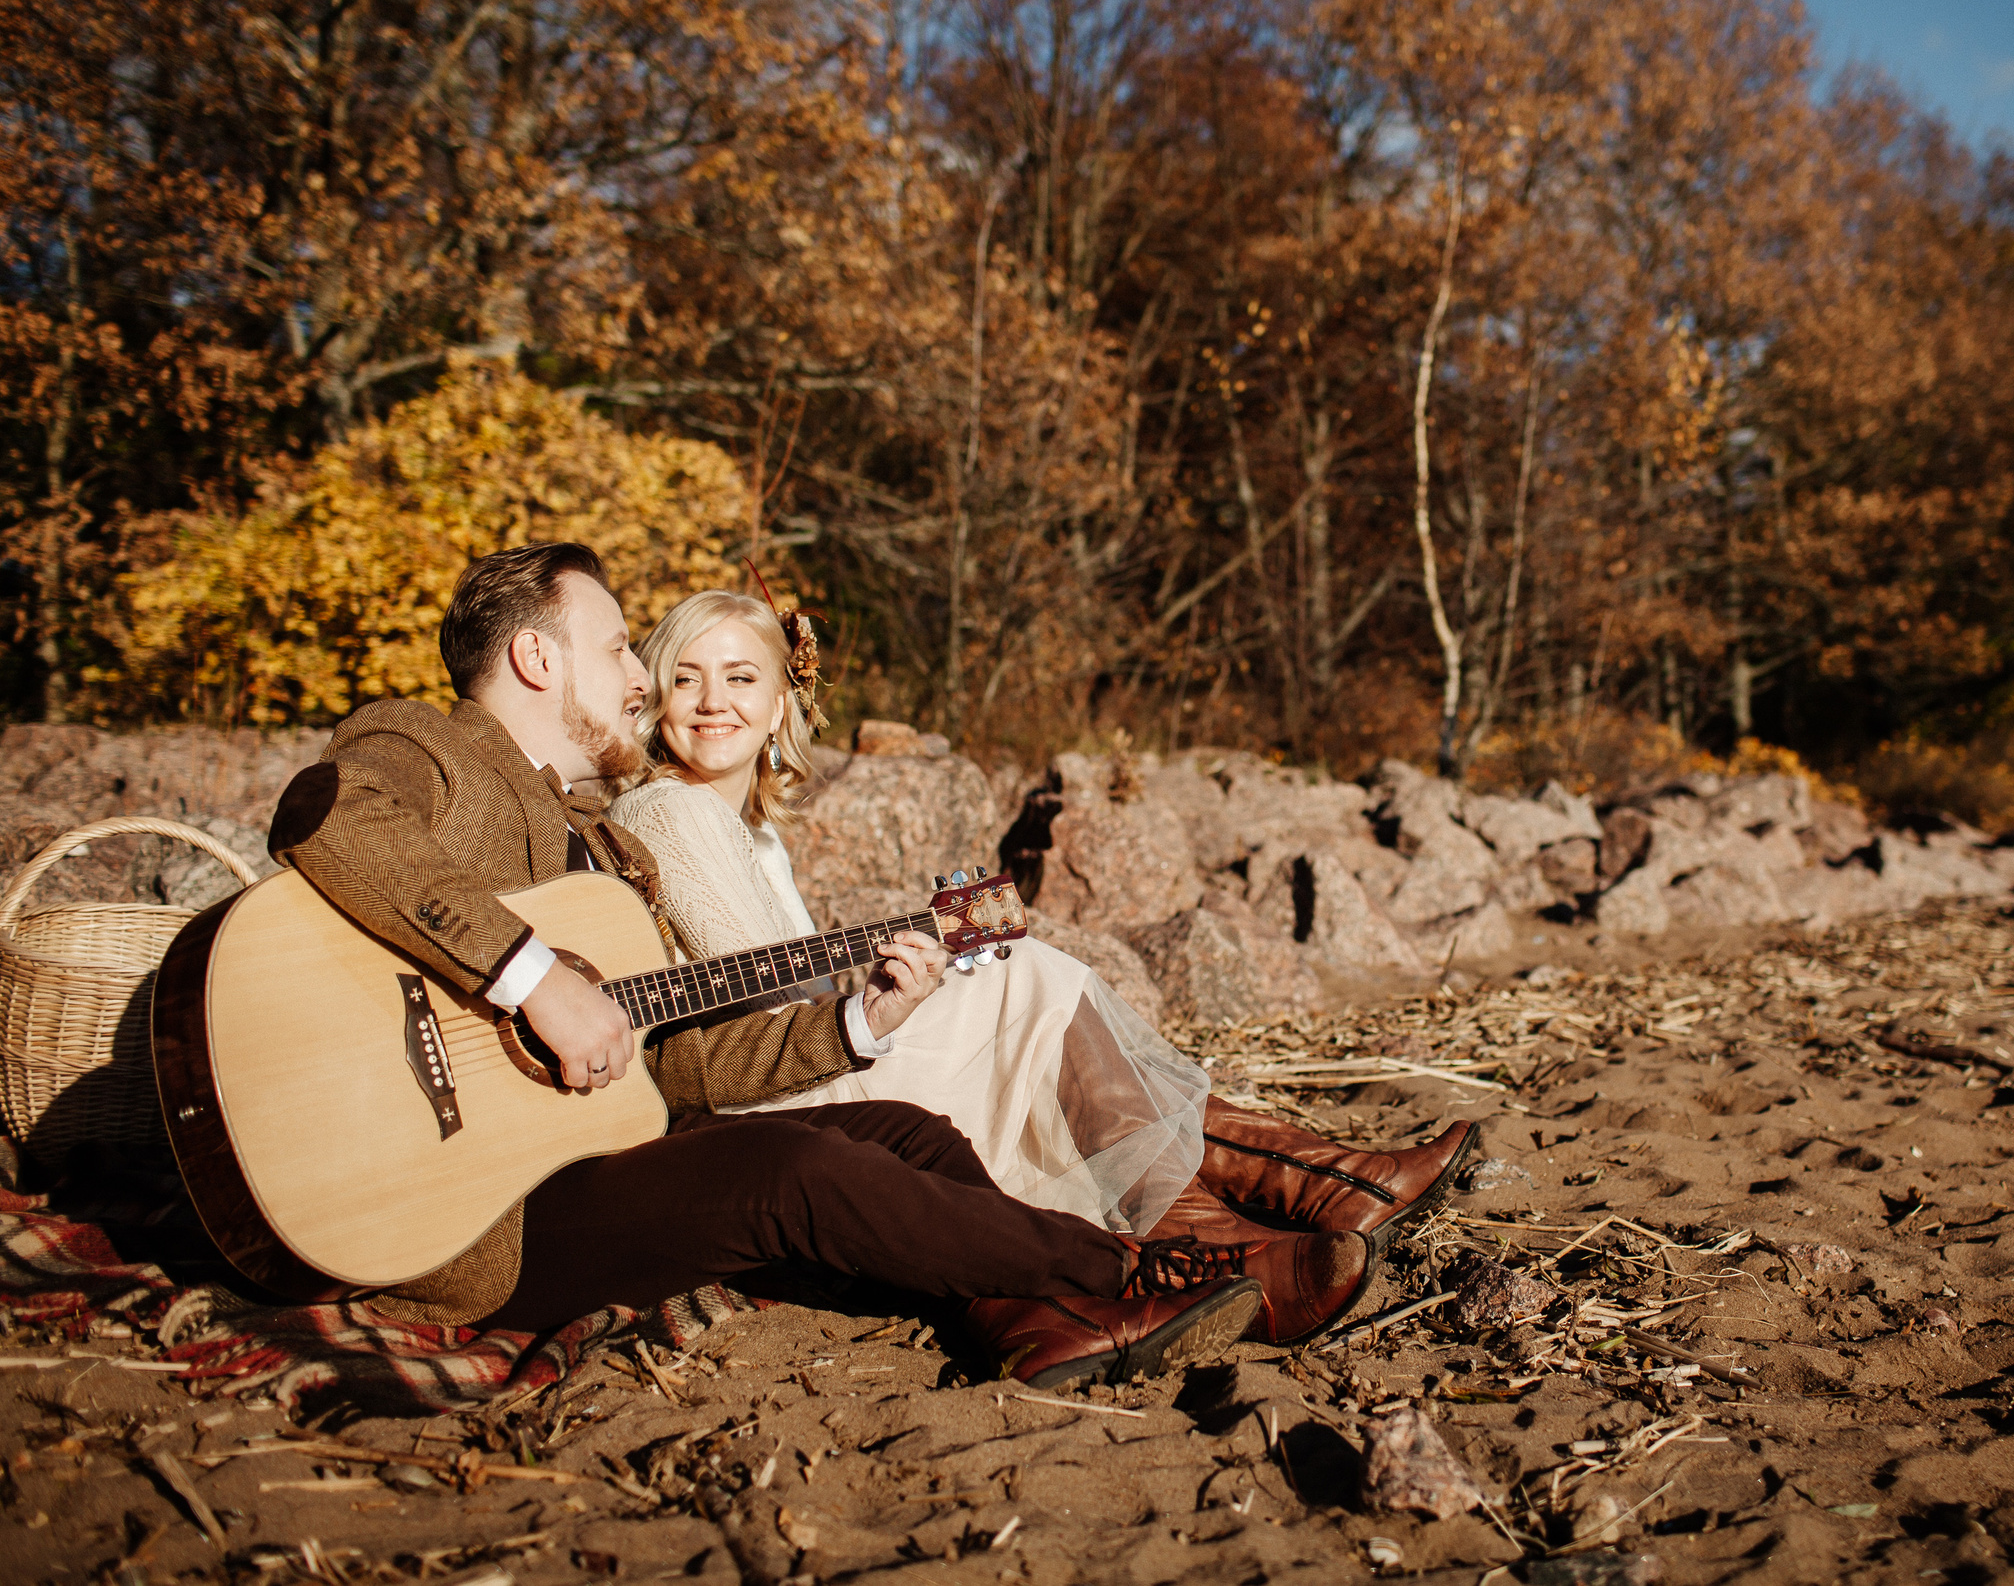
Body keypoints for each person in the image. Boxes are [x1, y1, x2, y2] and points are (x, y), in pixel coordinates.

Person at [265, 542, 1273, 1391]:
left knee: (904, 1131)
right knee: (793, 1171)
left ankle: (1035, 1322)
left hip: (587, 1152)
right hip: (476, 1209)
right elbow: (333, 815)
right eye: (618, 646)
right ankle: (1129, 1270)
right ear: (534, 655)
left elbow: (668, 1066)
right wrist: (533, 980)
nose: (637, 677)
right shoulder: (430, 749)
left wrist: (857, 1025)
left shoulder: (605, 854)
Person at [602, 588, 1481, 1347]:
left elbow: (791, 985)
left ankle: (1258, 1219)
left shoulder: (748, 828)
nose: (713, 700)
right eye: (687, 677)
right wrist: (887, 996)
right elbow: (758, 994)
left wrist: (902, 980)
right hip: (765, 1101)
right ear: (655, 697)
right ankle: (1270, 1213)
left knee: (1018, 992)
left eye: (741, 677)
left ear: (777, 704)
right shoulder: (671, 811)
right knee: (1026, 982)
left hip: (804, 1061)